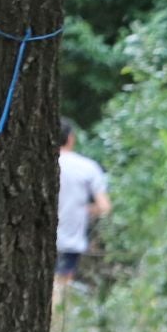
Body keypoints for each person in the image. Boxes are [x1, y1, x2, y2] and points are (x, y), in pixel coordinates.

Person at [57, 118, 111, 292]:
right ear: (71, 138)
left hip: (33, 239)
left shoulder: (35, 164)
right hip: (69, 239)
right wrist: (84, 209)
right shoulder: (87, 167)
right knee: (60, 288)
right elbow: (104, 207)